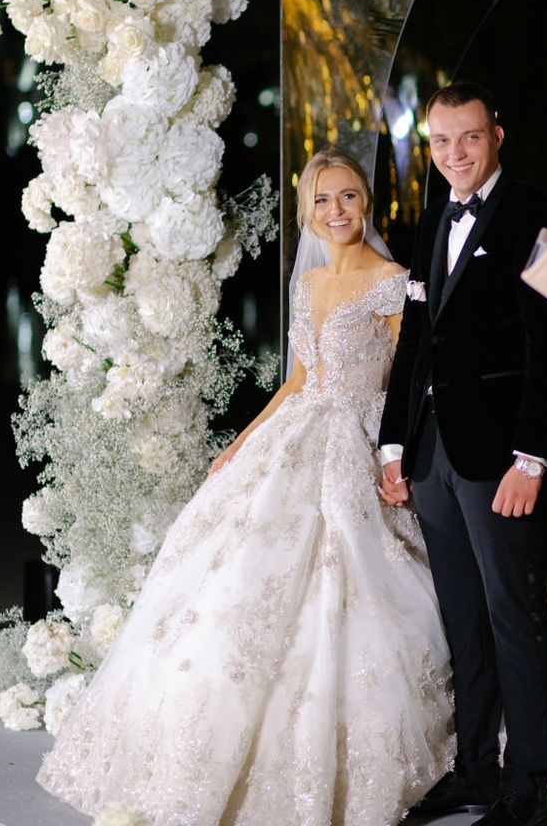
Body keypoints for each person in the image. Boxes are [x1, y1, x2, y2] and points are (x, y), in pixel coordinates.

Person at [38, 149, 455, 825]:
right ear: (307, 211)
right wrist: (241, 440)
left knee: (349, 573)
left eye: (348, 197)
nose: (337, 211)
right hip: (295, 428)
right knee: (232, 568)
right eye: (322, 200)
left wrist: (394, 455)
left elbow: (411, 382)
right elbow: (297, 378)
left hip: (359, 436)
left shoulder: (392, 283)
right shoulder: (312, 283)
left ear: (367, 203)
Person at [378, 82, 547, 826]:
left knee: (514, 616)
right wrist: (395, 443)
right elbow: (419, 341)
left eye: (468, 138)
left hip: (502, 458)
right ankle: (475, 772)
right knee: (462, 619)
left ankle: (526, 785)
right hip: (433, 455)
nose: (454, 154)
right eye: (440, 142)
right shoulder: (432, 217)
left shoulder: (537, 212)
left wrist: (533, 459)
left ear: (497, 135)